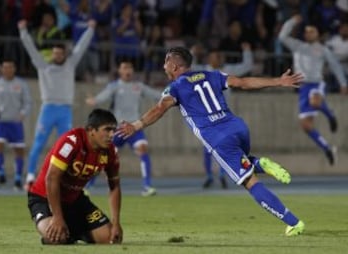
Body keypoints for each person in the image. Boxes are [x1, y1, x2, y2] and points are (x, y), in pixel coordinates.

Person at [117, 46, 305, 236]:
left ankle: (292, 222)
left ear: (174, 66)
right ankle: (258, 163)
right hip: (238, 127)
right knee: (243, 161)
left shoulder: (174, 88)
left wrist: (135, 126)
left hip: (218, 138)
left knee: (249, 181)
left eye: (166, 62)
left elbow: (159, 109)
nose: (163, 66)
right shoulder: (211, 75)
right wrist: (278, 81)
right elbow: (242, 82)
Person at [18, 18, 96, 188]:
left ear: (64, 55)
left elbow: (81, 48)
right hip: (48, 109)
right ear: (52, 54)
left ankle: (70, 178)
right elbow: (31, 50)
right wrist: (23, 32)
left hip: (65, 111)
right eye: (55, 53)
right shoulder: (43, 66)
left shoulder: (70, 65)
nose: (58, 56)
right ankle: (30, 177)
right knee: (38, 143)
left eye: (60, 54)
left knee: (69, 147)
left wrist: (89, 29)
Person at [27, 108, 123, 244]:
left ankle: (74, 232)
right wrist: (57, 218)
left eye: (114, 130)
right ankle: (65, 231)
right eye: (107, 130)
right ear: (91, 130)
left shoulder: (110, 151)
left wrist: (116, 223)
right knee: (57, 238)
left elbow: (114, 186)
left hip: (74, 200)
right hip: (44, 197)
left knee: (111, 238)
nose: (112, 134)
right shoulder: (71, 142)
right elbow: (52, 178)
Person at [278, 15, 348, 165]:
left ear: (317, 34)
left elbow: (335, 65)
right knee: (306, 126)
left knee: (315, 102)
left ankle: (330, 116)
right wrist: (291, 22)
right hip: (302, 87)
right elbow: (282, 37)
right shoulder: (297, 46)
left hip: (316, 84)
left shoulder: (322, 49)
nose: (308, 34)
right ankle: (327, 148)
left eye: (312, 31)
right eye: (307, 31)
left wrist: (343, 83)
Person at [86, 60, 161, 196]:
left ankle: (147, 187)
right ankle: (88, 185)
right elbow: (104, 96)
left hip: (134, 128)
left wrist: (171, 95)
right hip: (117, 129)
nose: (128, 71)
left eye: (130, 68)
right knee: (103, 157)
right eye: (125, 68)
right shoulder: (114, 86)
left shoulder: (139, 86)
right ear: (120, 71)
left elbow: (156, 94)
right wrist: (95, 100)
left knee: (143, 150)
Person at [191, 43, 253, 189]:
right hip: (207, 117)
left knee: (226, 147)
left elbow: (246, 66)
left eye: (218, 56)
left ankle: (222, 176)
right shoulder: (202, 72)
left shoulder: (227, 71)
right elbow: (189, 70)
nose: (216, 59)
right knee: (207, 149)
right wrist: (192, 53)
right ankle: (209, 176)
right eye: (213, 57)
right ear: (208, 59)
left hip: (225, 117)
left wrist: (247, 51)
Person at [0, 58, 31, 189]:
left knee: (19, 150)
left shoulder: (21, 84)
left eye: (10, 67)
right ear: (1, 69)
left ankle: (18, 178)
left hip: (15, 123)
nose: (7, 70)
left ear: (14, 69)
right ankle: (1, 173)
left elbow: (28, 102)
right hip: (1, 122)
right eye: (5, 67)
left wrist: (23, 113)